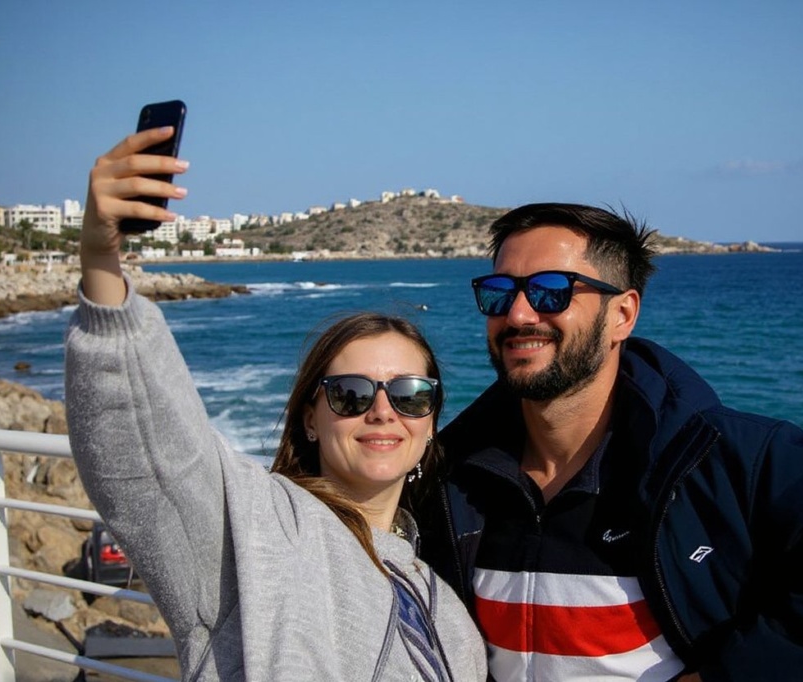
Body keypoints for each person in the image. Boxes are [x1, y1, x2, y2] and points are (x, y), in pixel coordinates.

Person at [418, 203, 803, 682]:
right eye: (499, 293)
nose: (517, 314)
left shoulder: (730, 460)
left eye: (550, 291)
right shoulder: (451, 475)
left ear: (622, 314)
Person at [64, 127, 487, 681]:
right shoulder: (251, 533)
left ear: (431, 423)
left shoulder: (449, 613)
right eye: (351, 393)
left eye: (410, 395)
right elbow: (145, 456)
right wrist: (101, 261)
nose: (383, 411)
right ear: (310, 418)